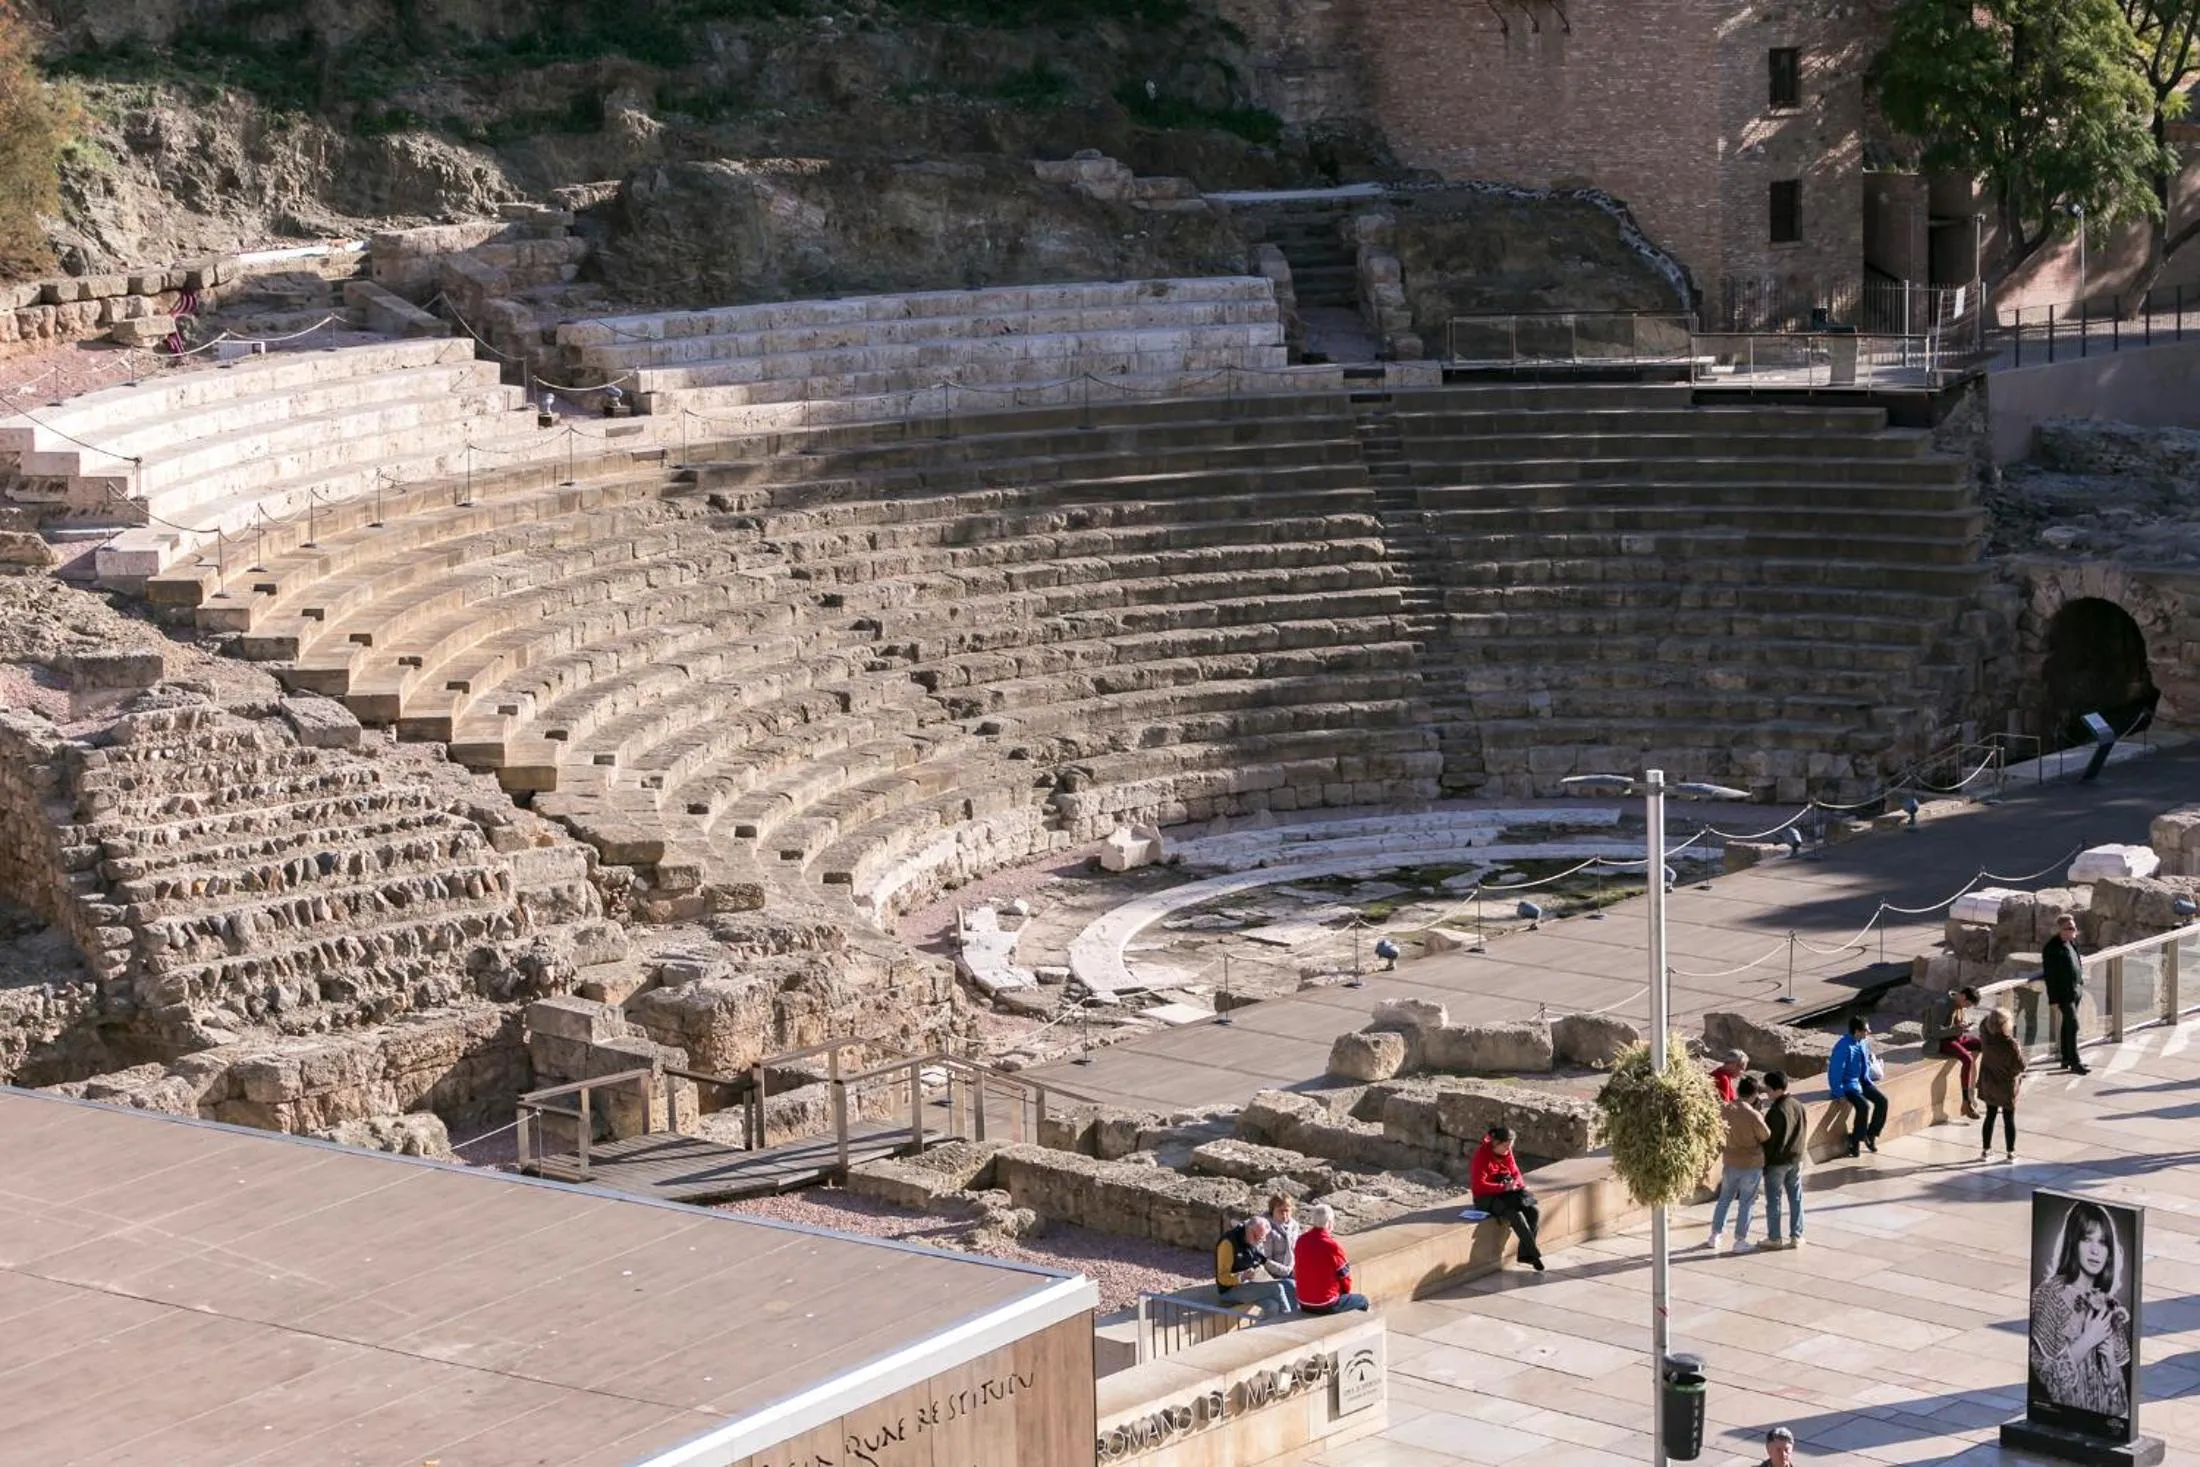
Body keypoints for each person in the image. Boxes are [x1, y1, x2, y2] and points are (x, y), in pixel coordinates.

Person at [2029, 1199, 2132, 1418]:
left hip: (2105, 1424)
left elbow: (2121, 1398)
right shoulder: (2050, 1295)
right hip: (2063, 1422)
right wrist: (2088, 1339)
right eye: (2087, 1239)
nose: (2096, 1251)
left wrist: (2111, 1362)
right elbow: (2048, 1380)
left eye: (2103, 1242)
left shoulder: (2108, 1303)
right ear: (2073, 1242)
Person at [1707, 1074, 1770, 1252]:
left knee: (1724, 1199)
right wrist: (1760, 1114)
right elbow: (1765, 1135)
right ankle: (1740, 1240)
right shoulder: (1753, 1115)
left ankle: (1715, 1234)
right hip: (1751, 1164)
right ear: (1754, 1094)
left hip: (1730, 1161)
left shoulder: (1725, 1109)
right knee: (1746, 1202)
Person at [1470, 1125, 1544, 1272]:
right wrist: (1502, 1187)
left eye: (1510, 1146)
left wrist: (1516, 1184)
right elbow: (1479, 1186)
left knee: (1533, 1211)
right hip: (1486, 1197)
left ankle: (1525, 1255)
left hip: (1507, 1192)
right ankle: (1534, 1255)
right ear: (1495, 1143)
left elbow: (1515, 1172)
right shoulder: (1482, 1156)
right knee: (1515, 1215)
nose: (1507, 1149)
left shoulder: (1507, 1151)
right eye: (1505, 1146)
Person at [1759, 1070, 1807, 1250]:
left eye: (1767, 1090)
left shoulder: (1776, 1111)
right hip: (1795, 1158)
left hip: (1777, 1163)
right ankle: (1797, 1235)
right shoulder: (1797, 1105)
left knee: (1774, 1200)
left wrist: (1765, 1163)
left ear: (1775, 1089)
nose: (1766, 1093)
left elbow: (1771, 1142)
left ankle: (1774, 1237)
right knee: (1795, 1198)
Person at [1292, 1203, 1369, 1315]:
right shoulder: (1332, 1246)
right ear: (1329, 1223)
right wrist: (1345, 1293)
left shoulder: (1300, 1241)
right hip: (1326, 1303)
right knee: (1362, 1300)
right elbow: (1344, 1276)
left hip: (1303, 1302)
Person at [1826, 1016, 1888, 1156]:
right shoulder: (1843, 1046)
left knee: (1882, 1101)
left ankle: (1871, 1134)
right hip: (1848, 1085)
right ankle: (1855, 1140)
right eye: (1865, 1030)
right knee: (1863, 1106)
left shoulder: (1863, 1042)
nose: (1868, 1033)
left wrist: (1867, 1079)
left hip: (1862, 1081)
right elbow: (1835, 1071)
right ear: (1857, 1031)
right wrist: (1839, 1092)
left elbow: (1865, 1062)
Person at [1214, 1214, 1295, 1316]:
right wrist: (1241, 1276)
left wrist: (1289, 1272)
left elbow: (1263, 1261)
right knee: (1277, 1288)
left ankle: (1268, 1329)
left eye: (1263, 1238)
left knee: (1275, 1302)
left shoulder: (1251, 1240)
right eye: (1259, 1237)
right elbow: (1222, 1277)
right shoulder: (1228, 1243)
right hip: (1230, 1290)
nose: (1261, 1241)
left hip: (1250, 1286)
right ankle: (1287, 1322)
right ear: (1250, 1231)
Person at [1925, 985, 1984, 1119]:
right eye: (1967, 1004)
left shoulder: (1959, 1005)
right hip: (1942, 1042)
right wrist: (1957, 1029)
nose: (1966, 1007)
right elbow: (1936, 1032)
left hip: (1957, 1038)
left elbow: (1956, 1026)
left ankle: (1982, 1084)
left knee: (1983, 1044)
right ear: (1962, 996)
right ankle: (1966, 1101)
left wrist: (1963, 1026)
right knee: (1967, 1059)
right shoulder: (1942, 1005)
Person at [1977, 1006, 2027, 1163]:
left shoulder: (1985, 1037)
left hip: (1989, 1082)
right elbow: (2021, 1066)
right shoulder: (2010, 1044)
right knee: (2008, 1118)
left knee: (1990, 1116)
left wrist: (1993, 1016)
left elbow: (1983, 1023)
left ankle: (1986, 1150)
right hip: (2006, 1085)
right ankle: (2010, 1152)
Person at [2043, 914, 2091, 1075]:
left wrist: (2080, 985)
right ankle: (2075, 1061)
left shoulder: (2071, 943)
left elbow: (2076, 963)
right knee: (2073, 1025)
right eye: (2069, 928)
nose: (2073, 930)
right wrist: (2053, 999)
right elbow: (2050, 976)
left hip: (2075, 990)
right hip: (2063, 994)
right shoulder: (2051, 948)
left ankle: (2066, 1057)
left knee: (2067, 1025)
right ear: (2060, 930)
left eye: (2074, 927)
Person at [1258, 1193, 1302, 1280]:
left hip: (1293, 1272)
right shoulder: (1265, 1228)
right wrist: (1286, 1271)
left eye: (1287, 1210)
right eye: (1280, 1211)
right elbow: (1265, 1260)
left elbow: (1298, 1251)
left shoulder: (1294, 1226)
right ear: (1272, 1211)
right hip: (1272, 1276)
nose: (1284, 1214)